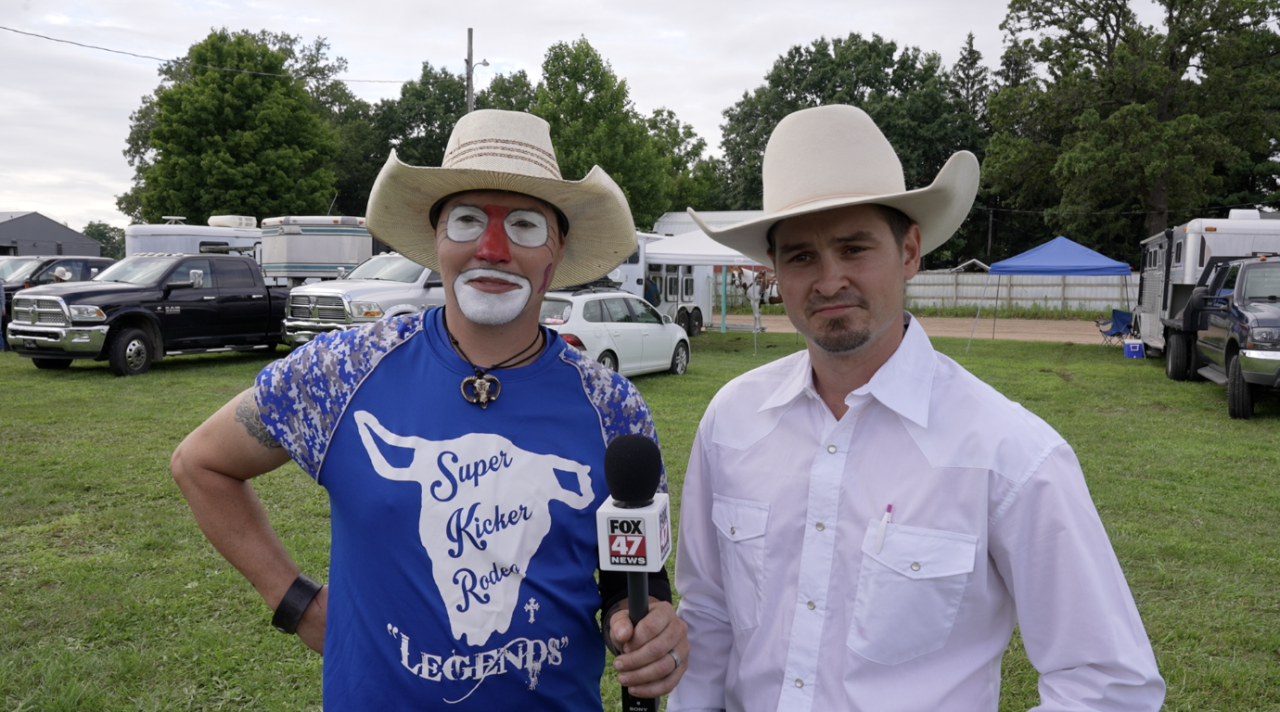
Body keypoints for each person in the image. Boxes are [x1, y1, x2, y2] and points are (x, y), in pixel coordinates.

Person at [171, 110, 688, 710]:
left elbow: (632, 577)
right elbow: (201, 463)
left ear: (557, 250)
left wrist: (646, 628)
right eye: (468, 221)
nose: (492, 249)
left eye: (524, 225)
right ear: (436, 238)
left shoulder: (612, 406)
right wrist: (296, 602)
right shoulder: (343, 369)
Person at [668, 105, 1164, 712]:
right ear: (774, 271)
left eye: (854, 248)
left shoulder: (1009, 452)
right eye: (800, 257)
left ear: (909, 252)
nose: (828, 280)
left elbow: (1108, 681)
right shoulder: (731, 422)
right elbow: (710, 617)